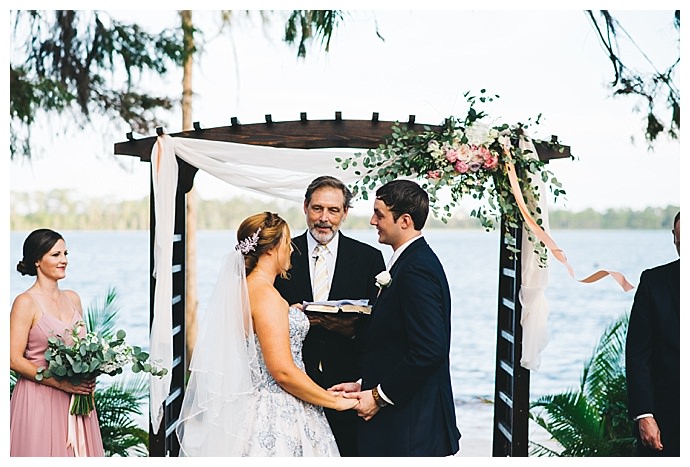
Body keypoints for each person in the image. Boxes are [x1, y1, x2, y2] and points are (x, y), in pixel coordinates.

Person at [176, 211, 359, 456]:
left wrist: (289, 314)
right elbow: (282, 371)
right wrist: (333, 401)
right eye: (287, 243)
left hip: (250, 405)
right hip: (278, 411)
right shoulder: (266, 296)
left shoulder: (246, 289)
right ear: (272, 249)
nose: (292, 250)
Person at [331, 179, 461, 456]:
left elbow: (429, 350)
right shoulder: (407, 262)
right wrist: (364, 384)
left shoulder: (416, 270)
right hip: (404, 423)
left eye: (379, 214)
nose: (372, 221)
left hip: (413, 427)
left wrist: (379, 396)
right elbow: (396, 343)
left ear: (404, 220)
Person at [274, 176, 386, 456]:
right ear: (305, 207)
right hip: (293, 384)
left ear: (345, 213)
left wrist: (348, 330)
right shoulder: (282, 255)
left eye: (333, 210)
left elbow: (380, 329)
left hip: (349, 386)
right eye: (318, 208)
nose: (324, 218)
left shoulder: (369, 259)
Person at [10, 228, 105, 457]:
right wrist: (60, 383)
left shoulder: (73, 298)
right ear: (37, 260)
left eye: (65, 254)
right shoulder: (25, 302)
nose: (64, 260)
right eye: (56, 255)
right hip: (38, 399)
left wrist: (90, 374)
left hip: (77, 400)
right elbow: (12, 358)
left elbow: (85, 348)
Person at [625, 211, 680, 457]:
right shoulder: (653, 282)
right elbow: (637, 354)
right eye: (681, 241)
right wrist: (644, 414)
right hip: (668, 418)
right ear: (673, 238)